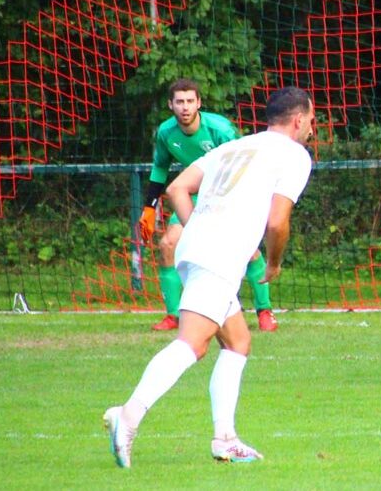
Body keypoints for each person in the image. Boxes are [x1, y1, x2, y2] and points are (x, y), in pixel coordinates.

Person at [104, 87, 315, 468]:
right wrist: (273, 262)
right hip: (219, 254)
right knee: (192, 344)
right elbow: (277, 221)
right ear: (299, 120)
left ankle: (225, 439)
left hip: (197, 248)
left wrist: (199, 228)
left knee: (237, 342)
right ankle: (129, 416)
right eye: (311, 121)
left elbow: (177, 188)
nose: (312, 129)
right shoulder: (295, 155)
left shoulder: (237, 145)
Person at [138, 79, 278, 332]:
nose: (185, 107)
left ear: (199, 103)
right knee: (168, 244)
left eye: (190, 101)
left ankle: (264, 310)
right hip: (191, 196)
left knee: (247, 250)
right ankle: (174, 315)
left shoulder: (220, 130)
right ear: (170, 105)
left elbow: (245, 161)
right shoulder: (166, 132)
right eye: (179, 102)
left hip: (226, 195)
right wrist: (149, 207)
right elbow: (160, 167)